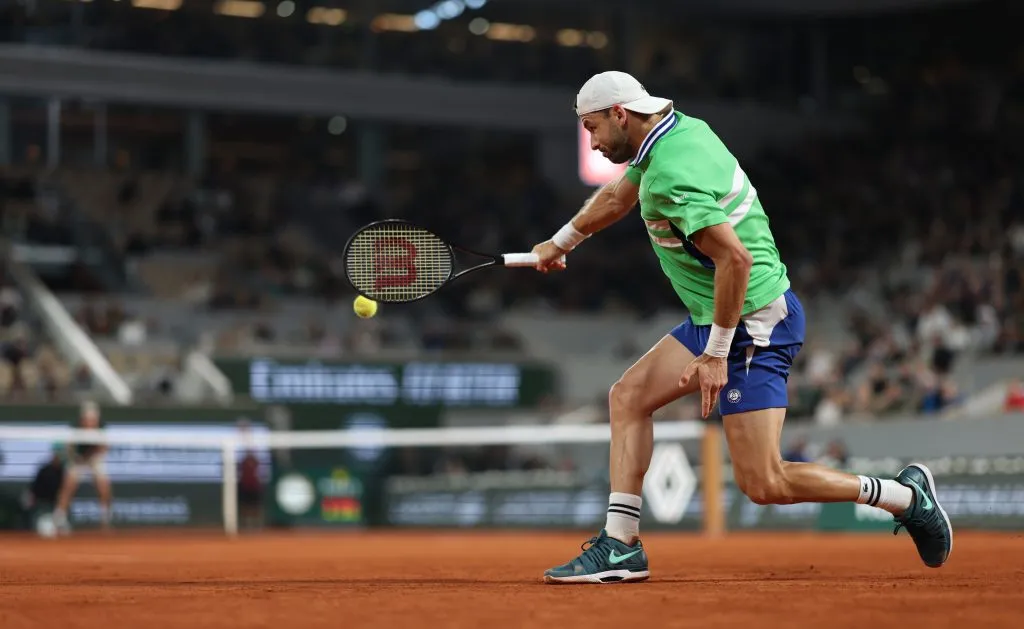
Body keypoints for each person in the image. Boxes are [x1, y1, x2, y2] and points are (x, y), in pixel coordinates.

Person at [532, 71, 952, 584]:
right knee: (629, 396)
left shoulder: (672, 172)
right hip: (720, 312)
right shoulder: (676, 131)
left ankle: (905, 497)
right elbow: (620, 196)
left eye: (592, 127)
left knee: (765, 482)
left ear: (621, 114)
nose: (592, 141)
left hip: (751, 322)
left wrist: (714, 354)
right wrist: (561, 242)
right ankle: (620, 546)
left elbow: (735, 259)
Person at [53, 401, 113, 532]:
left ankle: (105, 518)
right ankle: (59, 517)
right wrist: (78, 459)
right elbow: (69, 450)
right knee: (69, 483)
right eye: (88, 420)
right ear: (82, 420)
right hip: (78, 459)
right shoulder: (74, 430)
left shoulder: (102, 429)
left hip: (94, 458)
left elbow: (104, 449)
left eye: (93, 420)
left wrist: (93, 455)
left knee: (103, 484)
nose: (90, 423)